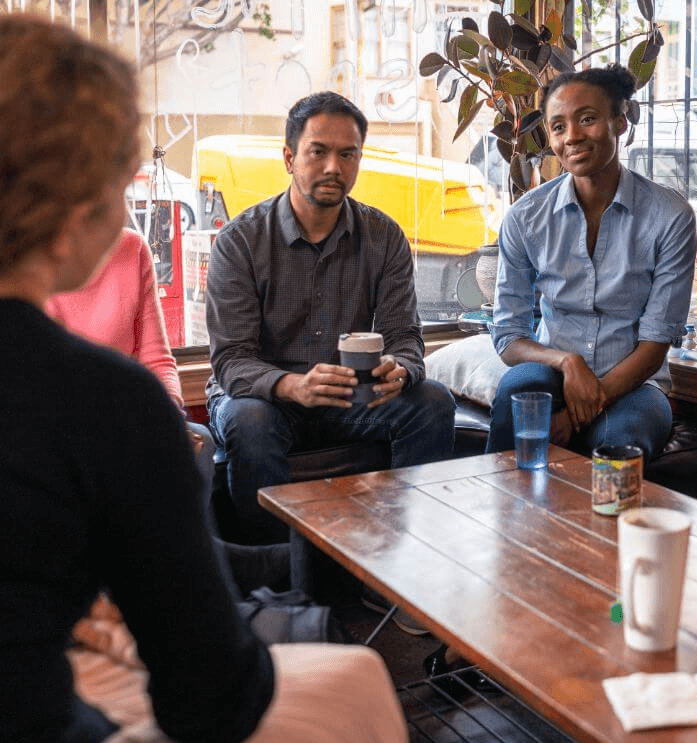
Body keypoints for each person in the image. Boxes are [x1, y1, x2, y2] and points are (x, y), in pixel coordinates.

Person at [0, 14, 406, 743]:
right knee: (357, 681)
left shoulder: (382, 237)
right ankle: (276, 579)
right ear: (73, 213)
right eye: (121, 183)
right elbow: (213, 700)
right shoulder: (104, 407)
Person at [207, 91, 456, 545]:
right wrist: (292, 386)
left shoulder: (384, 237)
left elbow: (405, 338)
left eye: (347, 154)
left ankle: (410, 561)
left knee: (433, 403)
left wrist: (399, 369)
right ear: (289, 157)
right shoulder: (240, 241)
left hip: (351, 396)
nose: (332, 168)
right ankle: (276, 586)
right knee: (249, 423)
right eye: (317, 152)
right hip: (268, 398)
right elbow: (231, 361)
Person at [46, 228, 289, 596]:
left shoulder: (129, 246)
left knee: (198, 441)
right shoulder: (20, 263)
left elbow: (157, 358)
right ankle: (213, 572)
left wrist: (170, 415)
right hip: (61, 426)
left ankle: (195, 577)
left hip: (126, 417)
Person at [485, 64, 697, 461]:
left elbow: (654, 346)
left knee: (619, 440)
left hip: (637, 385)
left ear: (619, 122)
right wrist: (567, 362)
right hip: (551, 371)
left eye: (587, 119)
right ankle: (503, 513)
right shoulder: (526, 217)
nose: (572, 137)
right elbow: (509, 336)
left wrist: (579, 413)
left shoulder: (670, 216)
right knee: (519, 390)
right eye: (558, 126)